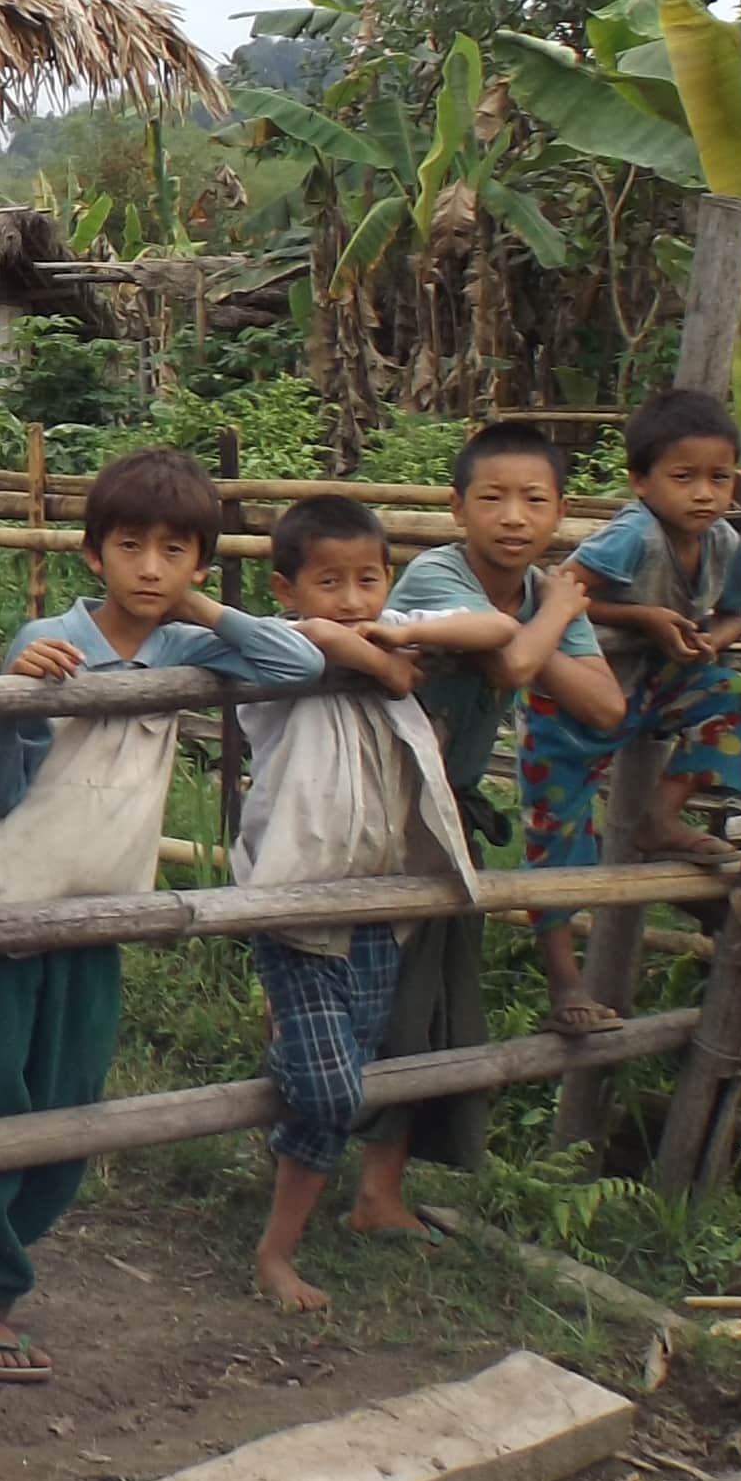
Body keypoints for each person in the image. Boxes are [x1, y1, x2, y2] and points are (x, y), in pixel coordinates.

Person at [0, 449, 319, 1384]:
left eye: (175, 551)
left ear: (197, 563)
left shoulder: (189, 647)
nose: (150, 568)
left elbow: (297, 662)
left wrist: (205, 611)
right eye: (131, 546)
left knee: (71, 1120)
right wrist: (13, 702)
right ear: (92, 553)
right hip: (0, 917)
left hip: (102, 921)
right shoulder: (49, 640)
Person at [370, 425, 634, 1199]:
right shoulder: (434, 576)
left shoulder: (535, 598)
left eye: (535, 501)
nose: (514, 517)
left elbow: (606, 705)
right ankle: (329, 1180)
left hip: (447, 813)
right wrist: (557, 609)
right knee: (374, 998)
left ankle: (378, 1196)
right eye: (493, 498)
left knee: (434, 1003)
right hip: (385, 811)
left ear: (559, 514)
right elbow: (515, 663)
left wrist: (545, 616)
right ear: (457, 508)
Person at [223, 497, 467, 1314]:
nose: (353, 600)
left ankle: (281, 1240)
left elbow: (495, 634)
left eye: (369, 581)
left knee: (341, 1083)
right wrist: (370, 655)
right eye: (330, 583)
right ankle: (274, 1248)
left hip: (379, 903)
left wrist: (403, 645)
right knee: (330, 1086)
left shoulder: (395, 628)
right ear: (285, 589)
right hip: (295, 902)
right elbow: (312, 643)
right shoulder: (276, 653)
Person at [527, 388, 741, 916]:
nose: (703, 493)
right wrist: (643, 619)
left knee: (737, 694)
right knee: (560, 846)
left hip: (656, 691)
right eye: (684, 478)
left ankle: (659, 820)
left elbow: (735, 614)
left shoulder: (723, 541)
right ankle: (565, 976)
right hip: (578, 705)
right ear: (640, 481)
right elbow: (558, 589)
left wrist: (710, 644)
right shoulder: (634, 535)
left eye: (719, 478)